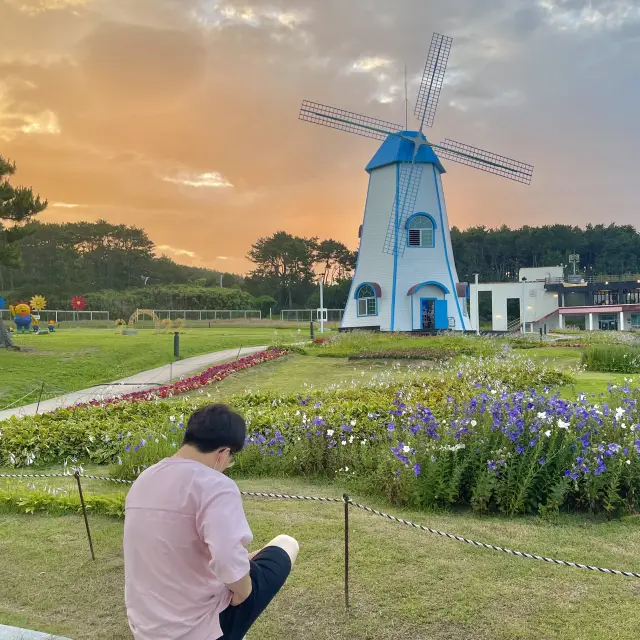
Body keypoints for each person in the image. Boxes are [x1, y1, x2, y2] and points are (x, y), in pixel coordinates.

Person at [123, 403, 299, 640]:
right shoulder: (215, 485)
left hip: (146, 627)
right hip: (197, 629)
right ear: (223, 453)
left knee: (244, 562)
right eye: (230, 459)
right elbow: (228, 563)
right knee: (285, 544)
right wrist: (242, 592)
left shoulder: (144, 479)